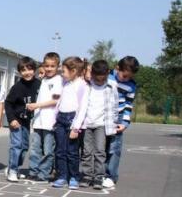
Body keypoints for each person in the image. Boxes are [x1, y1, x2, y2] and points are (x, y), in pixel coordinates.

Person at [72, 60, 119, 189]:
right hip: (87, 123)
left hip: (102, 124)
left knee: (100, 151)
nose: (99, 81)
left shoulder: (112, 86)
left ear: (107, 74)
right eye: (96, 79)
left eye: (102, 79)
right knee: (87, 151)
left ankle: (99, 176)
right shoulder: (88, 85)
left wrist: (114, 122)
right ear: (92, 75)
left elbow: (115, 105)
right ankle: (87, 175)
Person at [52, 57, 88, 189]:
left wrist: (76, 128)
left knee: (72, 152)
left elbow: (83, 108)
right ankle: (62, 176)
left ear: (73, 71)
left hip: (73, 120)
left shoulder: (83, 86)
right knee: (60, 150)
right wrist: (55, 119)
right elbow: (59, 102)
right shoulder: (65, 83)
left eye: (64, 71)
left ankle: (74, 176)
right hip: (61, 119)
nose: (62, 73)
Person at [103, 56, 139, 188]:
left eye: (129, 76)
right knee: (99, 147)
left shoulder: (131, 85)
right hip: (102, 116)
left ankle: (110, 175)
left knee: (114, 148)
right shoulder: (106, 76)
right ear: (117, 68)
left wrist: (125, 123)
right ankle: (97, 173)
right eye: (124, 75)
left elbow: (129, 105)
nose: (126, 78)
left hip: (117, 118)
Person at [26, 52, 62, 182]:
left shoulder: (59, 81)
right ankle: (33, 171)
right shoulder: (43, 80)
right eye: (47, 66)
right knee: (35, 149)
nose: (49, 68)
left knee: (48, 150)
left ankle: (44, 173)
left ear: (58, 66)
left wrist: (37, 105)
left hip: (50, 122)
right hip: (38, 121)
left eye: (52, 66)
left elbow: (55, 100)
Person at [4, 57, 40, 182]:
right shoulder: (17, 87)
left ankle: (14, 167)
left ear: (34, 70)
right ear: (20, 72)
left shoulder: (39, 84)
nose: (27, 72)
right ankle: (12, 171)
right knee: (16, 145)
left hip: (28, 121)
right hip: (16, 120)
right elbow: (7, 103)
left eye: (29, 69)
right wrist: (11, 119)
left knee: (25, 147)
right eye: (23, 70)